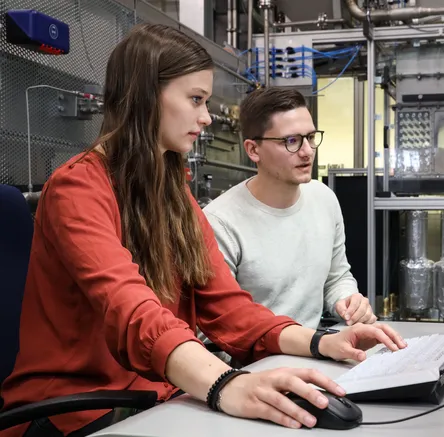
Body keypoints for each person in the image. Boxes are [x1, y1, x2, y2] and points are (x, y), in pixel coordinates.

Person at [0, 24, 406, 437]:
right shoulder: (77, 189)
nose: (207, 117)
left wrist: (322, 343)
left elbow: (228, 307)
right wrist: (225, 384)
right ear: (145, 96)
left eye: (207, 101)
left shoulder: (173, 194)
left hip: (150, 397)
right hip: (74, 410)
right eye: (196, 99)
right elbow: (131, 310)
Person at [202, 87, 375, 330]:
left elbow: (337, 278)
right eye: (291, 141)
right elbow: (219, 326)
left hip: (315, 352)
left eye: (311, 137)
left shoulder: (323, 198)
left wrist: (348, 300)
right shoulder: (220, 222)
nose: (307, 152)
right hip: (260, 362)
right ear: (253, 150)